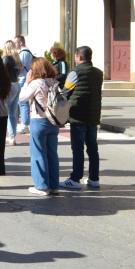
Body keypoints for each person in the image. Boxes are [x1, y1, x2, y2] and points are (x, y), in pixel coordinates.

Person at [60, 46, 103, 190]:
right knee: (92, 147)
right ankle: (94, 178)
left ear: (79, 57)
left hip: (78, 115)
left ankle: (75, 178)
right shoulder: (98, 73)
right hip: (93, 114)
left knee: (77, 148)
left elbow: (65, 90)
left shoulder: (75, 72)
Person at [20, 57, 61, 196]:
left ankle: (41, 185)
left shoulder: (36, 83)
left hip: (39, 120)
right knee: (52, 154)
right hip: (53, 121)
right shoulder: (54, 82)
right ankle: (54, 185)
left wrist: (26, 82)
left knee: (38, 153)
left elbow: (23, 97)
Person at [2, 40, 22, 145]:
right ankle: (12, 136)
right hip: (16, 84)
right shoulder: (17, 59)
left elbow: (2, 72)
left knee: (5, 110)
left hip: (9, 85)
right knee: (13, 113)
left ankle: (5, 135)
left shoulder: (6, 58)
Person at [14, 35, 33, 134]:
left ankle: (25, 125)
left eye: (15, 42)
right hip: (22, 79)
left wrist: (14, 75)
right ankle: (24, 124)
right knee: (21, 102)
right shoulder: (24, 52)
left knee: (23, 102)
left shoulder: (24, 53)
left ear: (20, 42)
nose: (14, 44)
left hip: (22, 80)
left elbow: (20, 67)